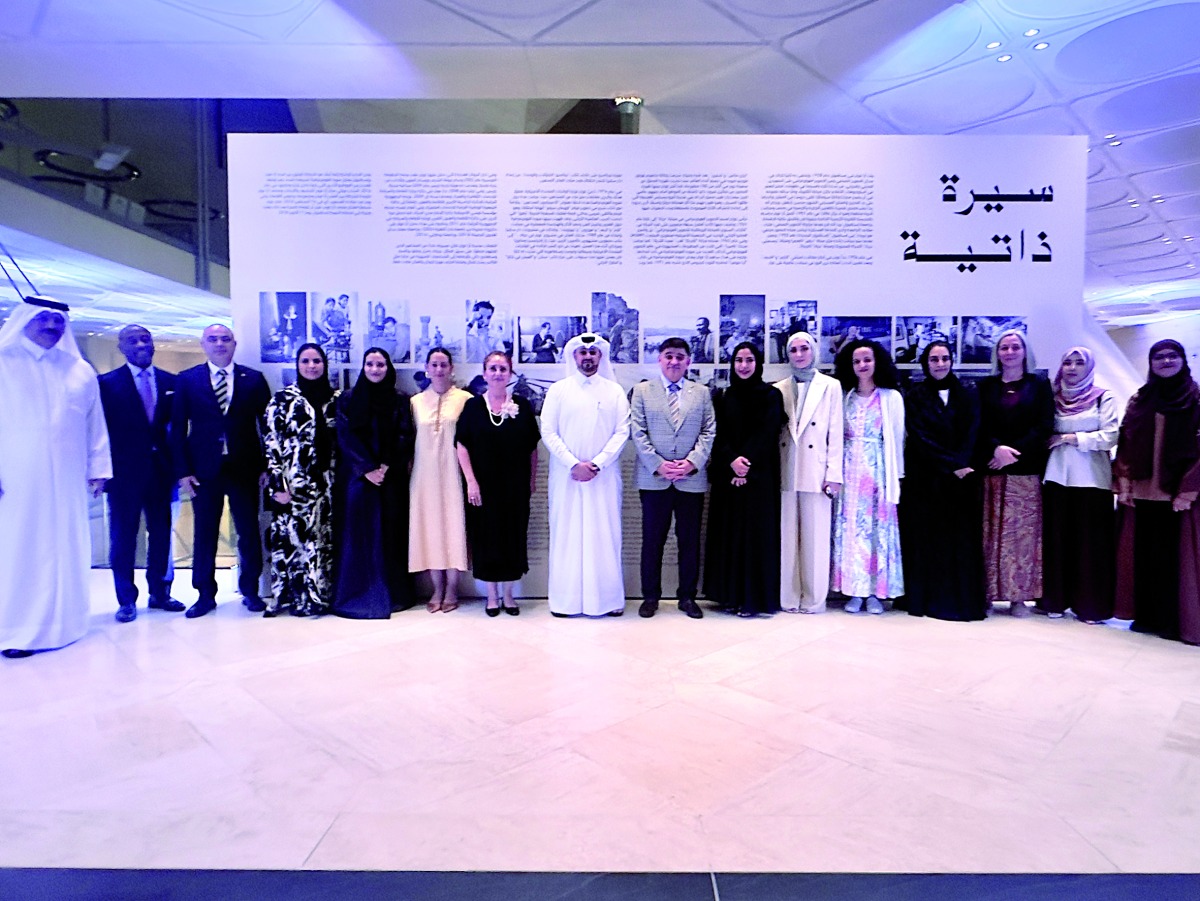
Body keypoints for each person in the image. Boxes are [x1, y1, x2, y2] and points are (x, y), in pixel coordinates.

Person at [0, 296, 111, 658]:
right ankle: (17, 630)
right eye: (44, 318)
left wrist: (99, 470)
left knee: (66, 546)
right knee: (20, 549)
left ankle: (66, 623)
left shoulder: (80, 370)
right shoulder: (3, 362)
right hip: (15, 479)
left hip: (67, 479)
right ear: (24, 320)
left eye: (58, 320)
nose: (52, 326)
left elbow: (95, 425)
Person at [172, 323, 272, 618]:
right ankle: (204, 594)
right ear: (203, 344)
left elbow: (268, 427)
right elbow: (177, 429)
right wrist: (183, 471)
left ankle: (250, 590)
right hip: (204, 470)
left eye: (225, 339)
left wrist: (267, 466)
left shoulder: (253, 379)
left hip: (244, 468)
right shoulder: (187, 380)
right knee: (204, 533)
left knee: (248, 531)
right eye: (213, 339)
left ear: (234, 344)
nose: (219, 344)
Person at [1114, 339, 1200, 644]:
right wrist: (1124, 483)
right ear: (1151, 364)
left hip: (1176, 495)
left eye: (1172, 356)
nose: (1166, 361)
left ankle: (1173, 621)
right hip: (1141, 492)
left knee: (1173, 560)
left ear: (1183, 360)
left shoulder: (1194, 397)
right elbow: (1126, 440)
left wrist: (1188, 489)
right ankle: (1146, 616)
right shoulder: (1141, 399)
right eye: (1159, 357)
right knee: (1144, 557)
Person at [541, 333, 631, 617]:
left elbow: (622, 432)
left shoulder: (614, 391)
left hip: (603, 477)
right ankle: (565, 603)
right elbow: (548, 431)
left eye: (593, 352)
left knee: (603, 535)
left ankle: (607, 602)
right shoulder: (558, 390)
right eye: (583, 352)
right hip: (566, 477)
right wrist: (573, 464)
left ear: (600, 356)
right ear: (574, 357)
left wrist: (597, 464)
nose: (588, 357)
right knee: (567, 536)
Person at [98, 324, 183, 623]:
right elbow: (99, 432)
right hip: (123, 475)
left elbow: (178, 429)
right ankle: (126, 600)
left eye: (145, 339)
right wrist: (99, 471)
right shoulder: (106, 384)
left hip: (161, 472)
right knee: (124, 538)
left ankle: (160, 593)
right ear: (121, 347)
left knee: (161, 535)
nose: (140, 344)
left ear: (153, 344)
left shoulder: (171, 382)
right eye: (132, 340)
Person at [899, 341, 987, 621]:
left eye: (945, 358)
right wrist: (952, 465)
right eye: (934, 359)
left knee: (960, 543)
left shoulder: (968, 392)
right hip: (927, 480)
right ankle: (928, 600)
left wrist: (962, 464)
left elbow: (974, 430)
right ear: (926, 363)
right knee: (928, 542)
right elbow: (919, 436)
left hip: (963, 481)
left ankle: (962, 601)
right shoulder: (914, 395)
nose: (940, 364)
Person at [630, 337, 716, 619]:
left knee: (689, 541)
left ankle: (687, 597)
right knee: (652, 540)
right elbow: (638, 432)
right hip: (654, 479)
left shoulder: (701, 393)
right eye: (669, 356)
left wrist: (692, 463)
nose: (674, 361)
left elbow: (709, 431)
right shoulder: (643, 391)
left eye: (680, 356)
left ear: (688, 361)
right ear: (660, 359)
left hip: (691, 479)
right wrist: (658, 464)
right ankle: (650, 597)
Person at [975, 329, 1054, 616]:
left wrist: (1013, 452)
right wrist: (996, 449)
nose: (1009, 352)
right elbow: (978, 425)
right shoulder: (985, 386)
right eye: (1004, 348)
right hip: (992, 468)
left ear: (1024, 351)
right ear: (997, 353)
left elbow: (1044, 426)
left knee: (1022, 537)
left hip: (1025, 469)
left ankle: (1018, 597)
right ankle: (986, 594)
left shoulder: (1039, 385)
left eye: (1015, 347)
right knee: (989, 533)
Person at [704, 342, 787, 617]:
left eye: (749, 360)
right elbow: (716, 434)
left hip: (759, 477)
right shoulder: (724, 396)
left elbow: (768, 432)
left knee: (755, 538)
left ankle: (753, 600)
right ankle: (728, 596)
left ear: (758, 363)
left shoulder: (771, 395)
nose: (743, 365)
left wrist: (745, 465)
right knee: (728, 535)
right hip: (727, 478)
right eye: (739, 360)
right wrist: (732, 461)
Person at [455, 351, 541, 615]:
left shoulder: (521, 405)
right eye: (492, 368)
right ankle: (491, 595)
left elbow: (532, 448)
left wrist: (531, 480)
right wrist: (471, 481)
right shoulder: (472, 406)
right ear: (484, 374)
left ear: (510, 373)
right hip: (483, 487)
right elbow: (462, 445)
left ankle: (509, 595)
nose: (497, 373)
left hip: (515, 486)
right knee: (486, 538)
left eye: (503, 369)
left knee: (513, 537)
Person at [332, 348, 415, 618]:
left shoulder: (400, 399)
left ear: (388, 368)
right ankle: (358, 594)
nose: (375, 369)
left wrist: (386, 466)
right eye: (370, 364)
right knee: (358, 536)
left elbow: (405, 435)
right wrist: (366, 469)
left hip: (391, 479)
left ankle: (395, 595)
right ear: (363, 367)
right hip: (357, 479)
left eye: (380, 364)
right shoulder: (347, 399)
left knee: (391, 534)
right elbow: (345, 437)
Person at [1040, 347, 1118, 623]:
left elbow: (1110, 436)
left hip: (1092, 480)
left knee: (1090, 546)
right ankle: (1055, 600)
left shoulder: (1103, 397)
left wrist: (1070, 438)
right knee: (1057, 541)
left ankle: (1090, 606)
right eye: (1067, 363)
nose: (1072, 368)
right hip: (1057, 476)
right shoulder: (1053, 397)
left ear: (1089, 367)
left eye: (1079, 363)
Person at [263, 343, 338, 617]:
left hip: (328, 485)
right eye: (305, 361)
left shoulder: (336, 399)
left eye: (317, 361)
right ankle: (296, 597)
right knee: (295, 541)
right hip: (294, 486)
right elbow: (271, 443)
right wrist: (277, 485)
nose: (311, 366)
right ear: (297, 365)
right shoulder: (283, 400)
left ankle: (321, 596)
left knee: (323, 541)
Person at [830, 339, 905, 614]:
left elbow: (897, 439)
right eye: (857, 361)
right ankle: (854, 591)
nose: (862, 365)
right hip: (849, 473)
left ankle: (875, 593)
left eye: (867, 360)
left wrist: (896, 476)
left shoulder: (891, 397)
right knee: (851, 533)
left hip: (878, 474)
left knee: (876, 533)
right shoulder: (844, 396)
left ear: (877, 362)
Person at [773, 331, 843, 613]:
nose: (799, 354)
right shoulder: (779, 388)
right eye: (793, 350)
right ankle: (788, 598)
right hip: (787, 467)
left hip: (817, 470)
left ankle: (814, 600)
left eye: (804, 349)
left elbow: (836, 432)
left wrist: (834, 474)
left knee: (816, 538)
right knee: (787, 539)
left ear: (813, 351)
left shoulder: (830, 386)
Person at [409, 347, 471, 612]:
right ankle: (436, 588)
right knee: (430, 528)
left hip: (454, 473)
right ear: (426, 368)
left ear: (451, 368)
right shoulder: (415, 402)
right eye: (433, 365)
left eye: (443, 364)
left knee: (454, 527)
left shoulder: (466, 400)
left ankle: (452, 588)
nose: (438, 369)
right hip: (424, 476)